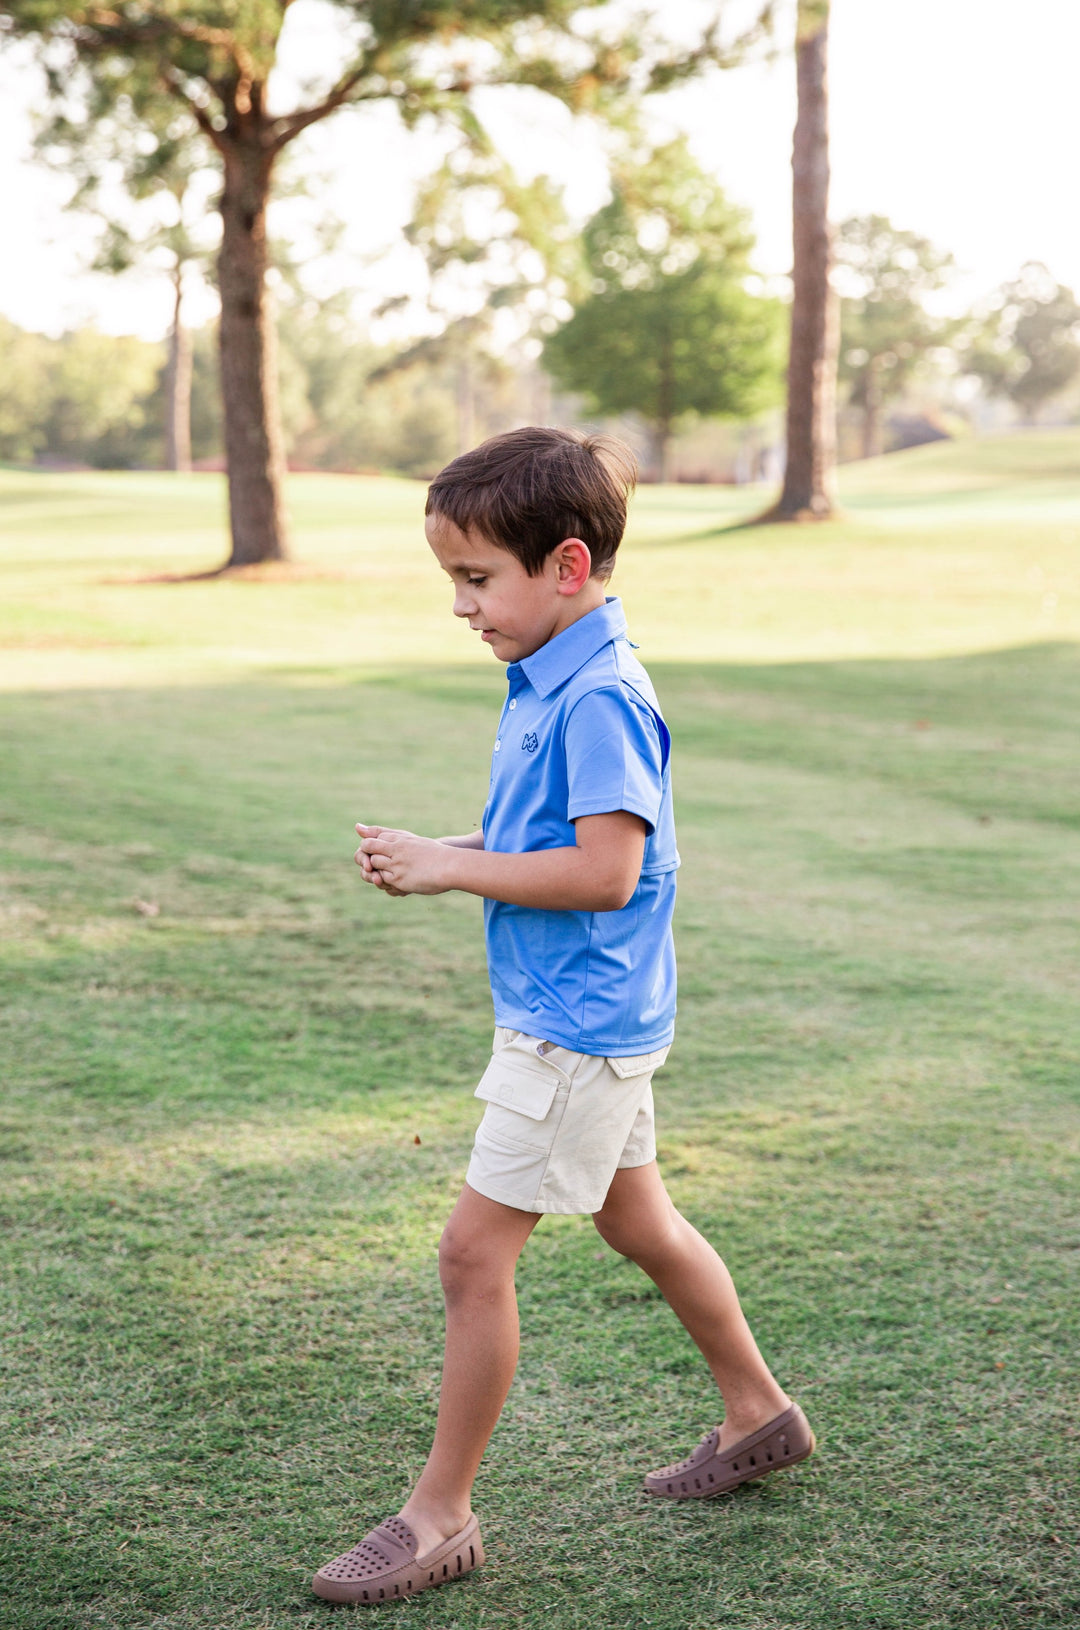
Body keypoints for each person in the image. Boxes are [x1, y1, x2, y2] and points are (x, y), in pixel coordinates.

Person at [311, 427, 814, 1607]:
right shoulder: (550, 678)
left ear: (568, 566)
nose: (461, 606)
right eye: (453, 581)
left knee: (471, 1254)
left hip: (574, 1029)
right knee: (640, 1222)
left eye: (475, 579)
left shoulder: (599, 696)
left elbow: (604, 873)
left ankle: (439, 1515)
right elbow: (550, 838)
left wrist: (449, 871)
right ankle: (759, 1411)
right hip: (584, 1016)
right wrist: (446, 845)